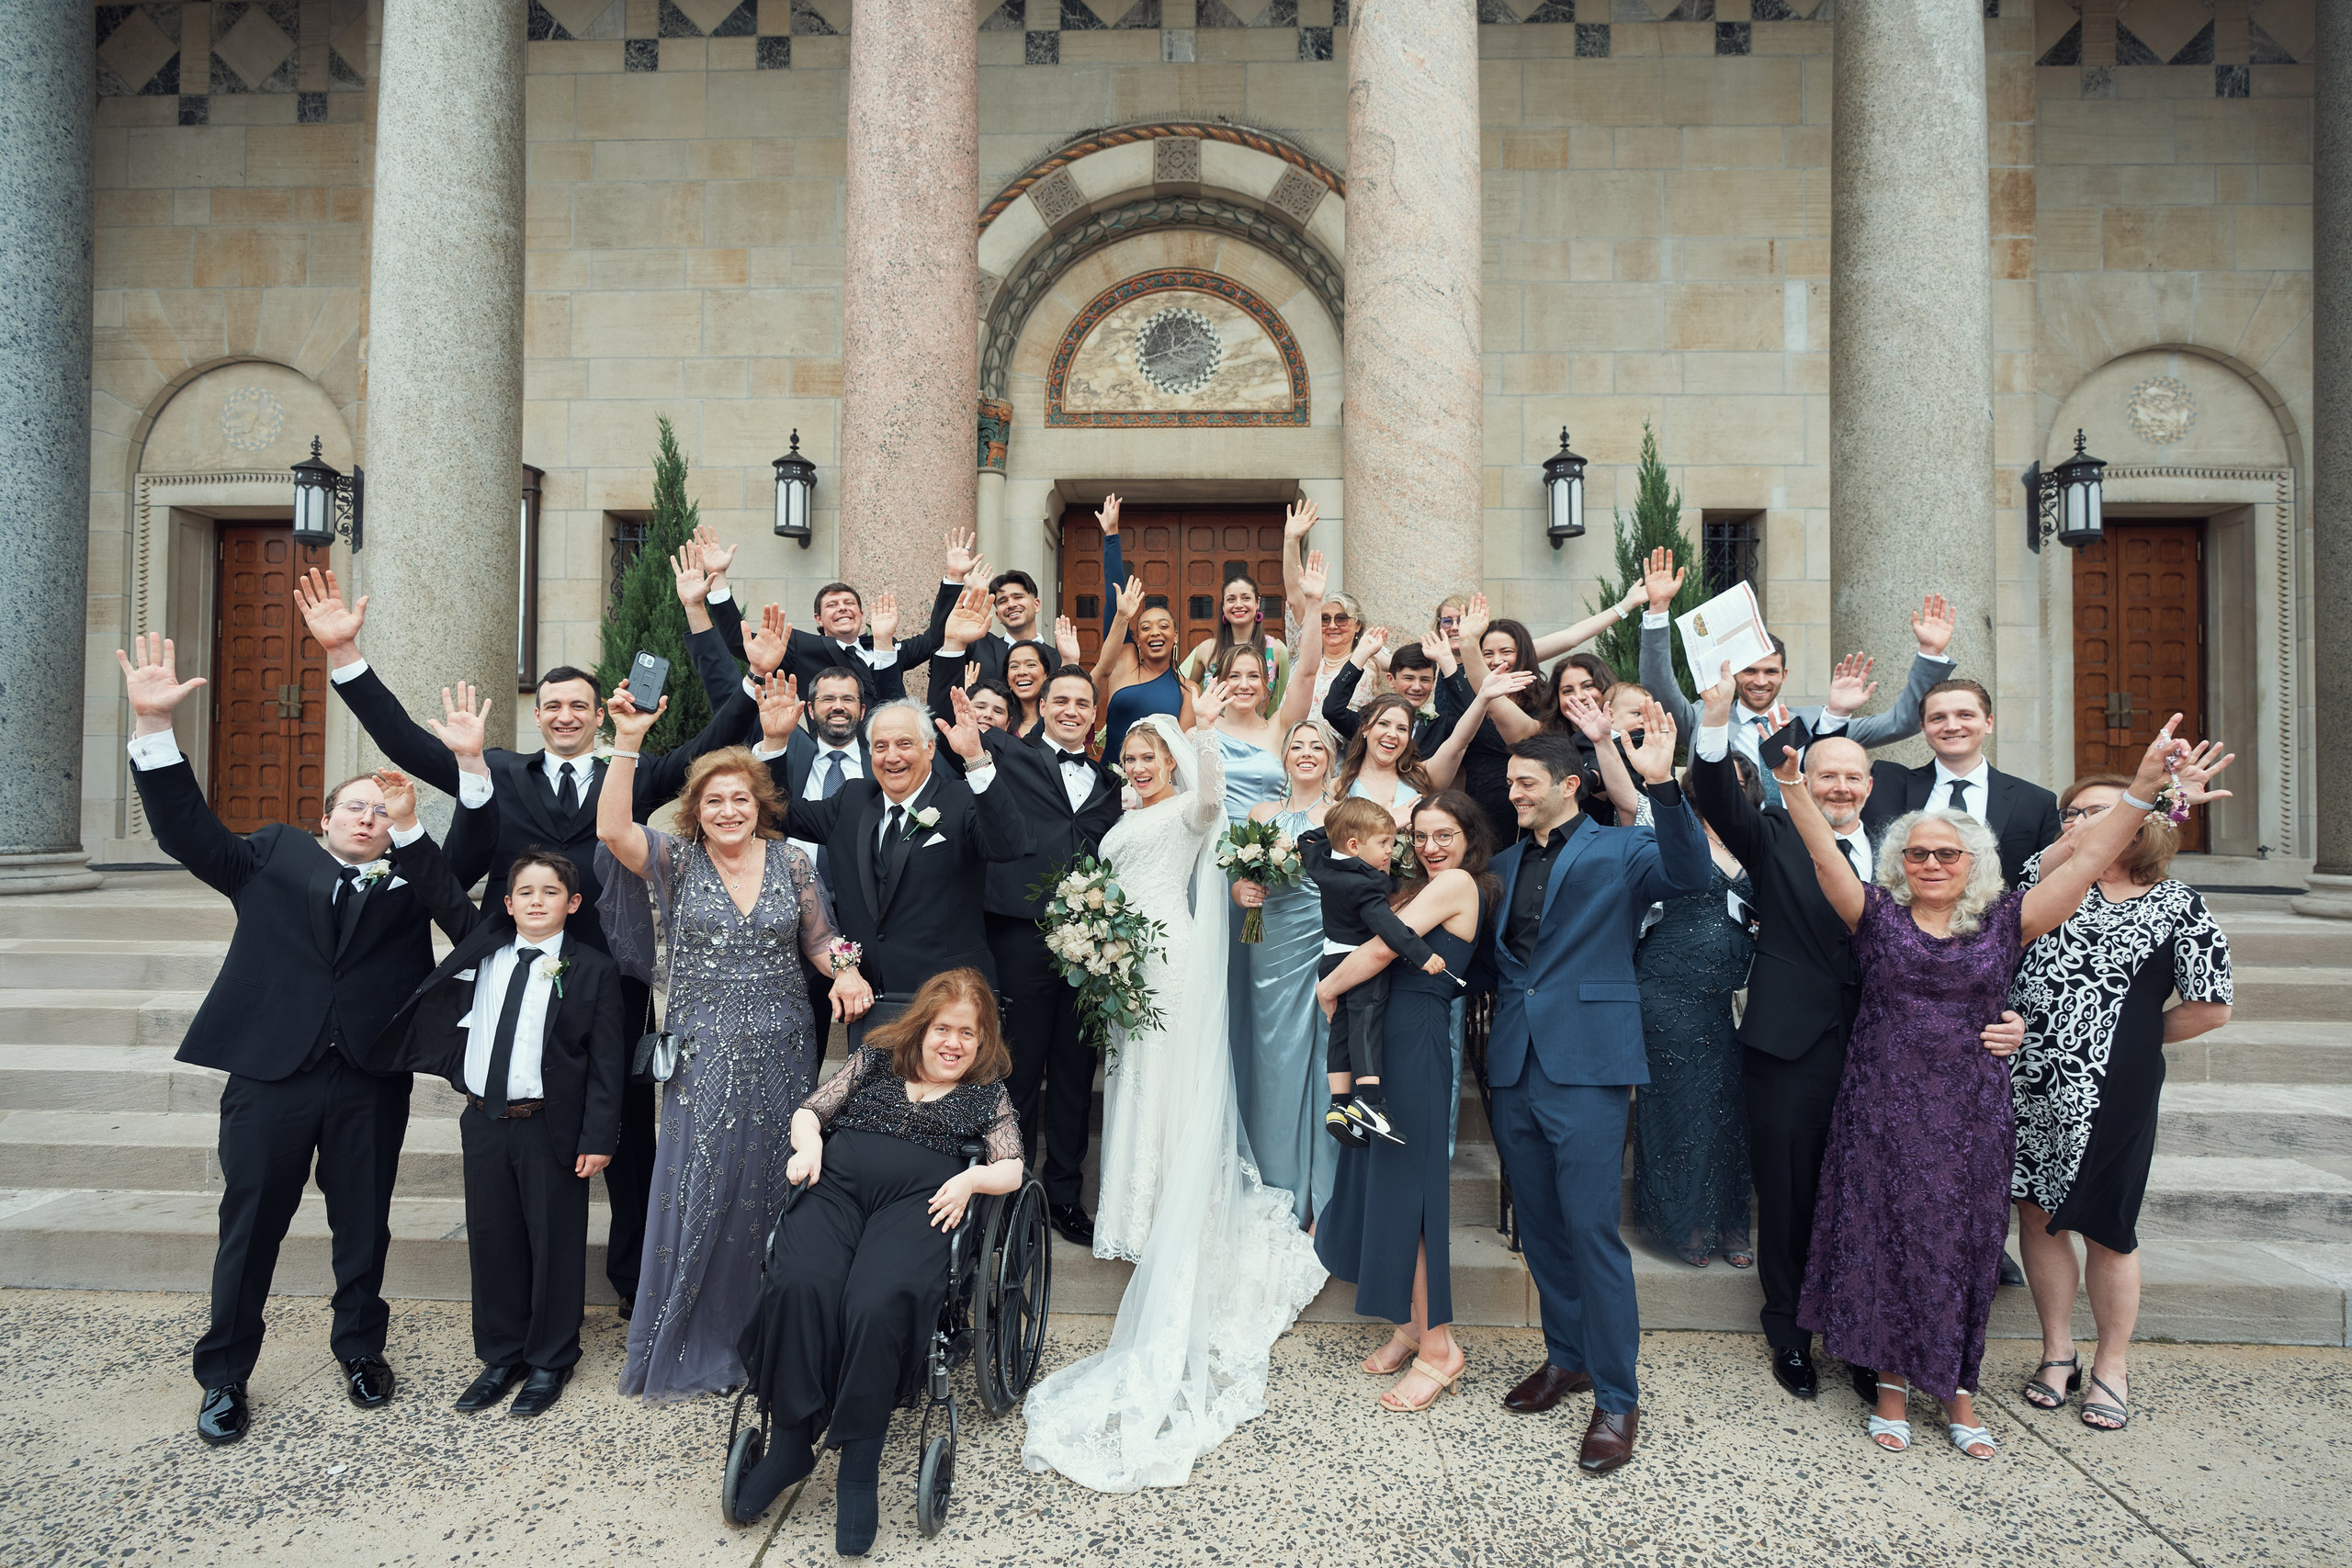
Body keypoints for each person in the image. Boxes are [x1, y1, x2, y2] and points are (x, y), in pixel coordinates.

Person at [300, 562, 760, 1315]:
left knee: (626, 1127)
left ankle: (632, 1277)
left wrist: (754, 680)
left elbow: (714, 741)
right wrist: (345, 656)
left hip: (612, 976)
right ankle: (523, 1288)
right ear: (538, 715)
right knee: (525, 1121)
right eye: (553, 706)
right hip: (512, 971)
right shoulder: (497, 771)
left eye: (579, 704)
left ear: (600, 712)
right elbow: (404, 741)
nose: (566, 715)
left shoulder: (632, 771)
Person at [1773, 714, 2198, 1460]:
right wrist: (1791, 787)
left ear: (1975, 862)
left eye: (1949, 852)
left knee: (1962, 1246)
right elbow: (1820, 852)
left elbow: (2087, 859)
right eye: (1918, 852)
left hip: (1971, 1113)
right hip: (1881, 1108)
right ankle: (1892, 1385)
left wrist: (2139, 790)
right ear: (1900, 862)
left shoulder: (2008, 921)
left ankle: (1957, 1390)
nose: (1933, 861)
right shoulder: (1874, 914)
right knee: (1885, 1238)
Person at [115, 635, 489, 1446]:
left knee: (364, 1224)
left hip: (369, 1075)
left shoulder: (414, 878)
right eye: (355, 806)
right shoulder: (271, 858)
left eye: (381, 809)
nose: (369, 816)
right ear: (324, 820)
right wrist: (152, 726)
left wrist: (463, 773)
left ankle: (359, 1348)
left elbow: (469, 875)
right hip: (270, 1073)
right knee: (250, 1225)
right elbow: (187, 830)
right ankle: (224, 1375)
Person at [1022, 705, 1328, 1494]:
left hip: (1169, 959)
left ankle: (1174, 1209)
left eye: (1148, 754)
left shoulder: (1192, 808)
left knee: (1167, 1079)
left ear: (1171, 760)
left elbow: (1210, 799)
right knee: (1135, 1082)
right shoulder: (1129, 814)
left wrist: (1205, 735)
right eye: (1130, 755)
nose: (1138, 765)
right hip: (1128, 963)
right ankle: (1141, 1207)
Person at [597, 688, 875, 1401]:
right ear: (697, 809)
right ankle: (703, 1335)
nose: (728, 810)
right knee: (710, 1183)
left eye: (740, 799)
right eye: (714, 800)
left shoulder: (792, 863)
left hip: (786, 1046)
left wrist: (847, 969)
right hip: (705, 1051)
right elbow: (613, 829)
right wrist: (628, 740)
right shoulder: (676, 860)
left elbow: (822, 937)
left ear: (760, 804)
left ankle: (771, 1331)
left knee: (776, 1182)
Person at [1481, 725, 1709, 1475]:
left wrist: (1662, 786)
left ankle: (1616, 1397)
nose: (1513, 793)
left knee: (1591, 1231)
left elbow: (1691, 871)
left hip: (1589, 1065)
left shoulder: (1622, 847)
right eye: (1510, 783)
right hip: (1515, 1063)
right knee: (1542, 1230)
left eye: (1524, 782)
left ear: (1568, 784)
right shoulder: (1503, 863)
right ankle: (1567, 1358)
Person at [738, 971, 1024, 1556]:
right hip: (837, 1189)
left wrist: (970, 1181)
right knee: (799, 1282)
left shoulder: (986, 1093)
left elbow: (1012, 1169)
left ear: (983, 1041)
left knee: (876, 1301)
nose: (953, 1043)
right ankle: (791, 1443)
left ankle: (858, 1465)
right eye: (943, 1028)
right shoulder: (875, 1060)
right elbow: (811, 1112)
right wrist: (810, 1145)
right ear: (921, 1027)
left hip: (918, 1203)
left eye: (967, 1033)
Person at [374, 814, 625, 1419]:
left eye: (551, 892)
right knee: (492, 1237)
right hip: (484, 1120)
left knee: (554, 1241)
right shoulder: (482, 948)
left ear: (572, 904)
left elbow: (606, 1063)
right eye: (525, 892)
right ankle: (501, 1353)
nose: (537, 901)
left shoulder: (593, 968)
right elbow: (440, 889)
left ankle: (550, 1357)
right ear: (507, 904)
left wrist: (598, 1136)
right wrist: (406, 825)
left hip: (551, 1126)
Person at [2009, 764, 2235, 1433]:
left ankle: (2112, 1363)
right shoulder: (2044, 880)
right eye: (2073, 812)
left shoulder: (2176, 902)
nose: (2082, 822)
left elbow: (2211, 1007)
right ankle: (2058, 1351)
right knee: (2037, 1214)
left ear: (2142, 821)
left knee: (2108, 1226)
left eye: (2100, 811)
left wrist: (2129, 1038)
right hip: (2027, 1078)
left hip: (2115, 1088)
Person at [1314, 791, 1498, 1412]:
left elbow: (1378, 952)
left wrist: (1327, 990)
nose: (1430, 846)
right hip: (1381, 1045)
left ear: (1469, 837)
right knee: (1384, 1185)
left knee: (1409, 1195)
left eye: (1444, 834)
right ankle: (1411, 1325)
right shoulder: (1407, 887)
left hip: (1415, 1044)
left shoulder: (1458, 885)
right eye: (1419, 835)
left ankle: (1440, 1347)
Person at [950, 655, 1124, 1247]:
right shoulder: (1005, 752)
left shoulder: (1112, 782)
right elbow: (959, 749)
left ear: (1094, 716)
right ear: (1041, 707)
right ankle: (1009, 1193)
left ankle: (1064, 1197)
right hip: (1020, 933)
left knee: (1075, 1071)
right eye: (1062, 701)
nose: (1072, 711)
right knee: (1017, 1067)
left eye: (1083, 704)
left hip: (1089, 948)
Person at [763, 690, 1034, 1006]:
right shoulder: (851, 800)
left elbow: (1008, 846)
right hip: (868, 999)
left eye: (904, 744)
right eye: (881, 747)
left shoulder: (963, 799)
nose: (892, 757)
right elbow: (775, 815)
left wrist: (975, 757)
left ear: (929, 748)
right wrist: (775, 743)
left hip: (949, 998)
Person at [1630, 751, 1758, 1271]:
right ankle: (1685, 1223)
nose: (1727, 786)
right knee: (1680, 1103)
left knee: (1735, 1105)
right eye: (1715, 777)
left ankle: (1731, 1221)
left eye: (1738, 779)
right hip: (1670, 984)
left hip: (1741, 990)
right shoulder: (1670, 832)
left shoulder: (1759, 838)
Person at [1232, 716, 1343, 1228]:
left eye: (1316, 746)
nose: (1306, 753)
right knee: (1273, 1058)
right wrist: (1242, 892)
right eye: (1297, 746)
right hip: (1269, 942)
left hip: (1323, 936)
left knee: (1324, 1056)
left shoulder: (1341, 814)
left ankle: (1324, 1193)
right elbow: (1240, 879)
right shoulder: (1261, 814)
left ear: (1329, 758)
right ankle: (1277, 1183)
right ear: (1284, 759)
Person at [1304, 798, 1447, 1145]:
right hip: (1360, 964)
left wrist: (1339, 829)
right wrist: (1422, 955)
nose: (1389, 849)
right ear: (1354, 845)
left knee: (1340, 1032)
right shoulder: (1366, 884)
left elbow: (1306, 838)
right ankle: (1369, 1102)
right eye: (1383, 842)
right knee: (1365, 1026)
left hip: (1330, 960)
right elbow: (1387, 927)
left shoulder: (1319, 860)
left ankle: (1339, 1105)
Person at [1860, 678, 2063, 887]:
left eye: (1965, 715)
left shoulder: (2035, 801)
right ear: (1924, 728)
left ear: (1988, 723)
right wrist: (1840, 715)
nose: (1952, 726)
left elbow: (2053, 881)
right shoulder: (1884, 785)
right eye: (1938, 718)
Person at [1090, 494, 1195, 758]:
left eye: (1163, 626)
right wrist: (1111, 535)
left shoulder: (1189, 690)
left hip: (1157, 781)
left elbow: (1182, 754)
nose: (1155, 632)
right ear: (1136, 638)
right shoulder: (1125, 661)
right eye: (1145, 628)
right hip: (1110, 775)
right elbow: (1115, 601)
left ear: (1175, 636)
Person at [1322, 630, 1469, 753]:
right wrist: (1360, 655)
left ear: (1433, 682)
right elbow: (1333, 710)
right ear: (1391, 680)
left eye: (1425, 679)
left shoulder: (1442, 724)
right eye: (1409, 678)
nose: (1417, 687)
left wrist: (1447, 661)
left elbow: (1471, 719)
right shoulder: (1372, 720)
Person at [1333, 693, 1438, 821]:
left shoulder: (1421, 775)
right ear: (1365, 729)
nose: (1393, 734)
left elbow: (1457, 747)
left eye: (1402, 729)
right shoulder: (1337, 786)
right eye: (1383, 724)